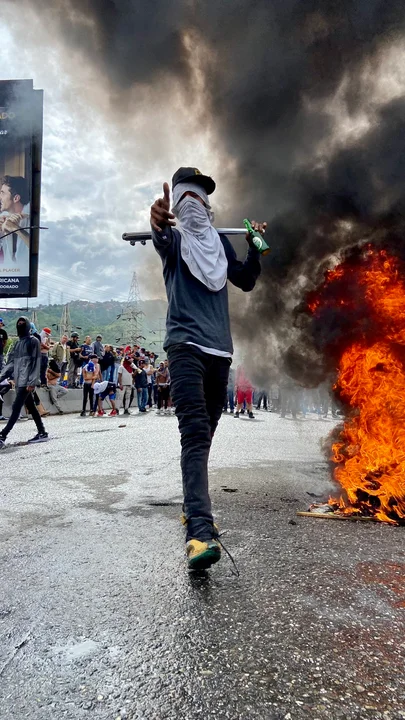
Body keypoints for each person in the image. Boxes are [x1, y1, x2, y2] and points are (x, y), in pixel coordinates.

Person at [150, 166, 265, 569]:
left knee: (206, 433)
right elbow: (160, 234)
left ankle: (191, 502)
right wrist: (157, 219)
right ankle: (199, 530)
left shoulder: (218, 243)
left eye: (203, 197)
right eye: (189, 197)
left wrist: (253, 248)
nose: (197, 203)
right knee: (195, 432)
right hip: (184, 348)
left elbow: (246, 281)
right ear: (178, 203)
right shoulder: (174, 240)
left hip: (220, 353)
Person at [0, 316, 48, 449]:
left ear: (27, 326)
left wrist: (32, 382)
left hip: (27, 382)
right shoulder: (17, 343)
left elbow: (36, 362)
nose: (20, 325)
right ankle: (42, 432)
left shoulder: (33, 341)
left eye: (22, 323)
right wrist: (1, 377)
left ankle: (3, 435)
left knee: (16, 408)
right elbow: (10, 364)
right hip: (20, 381)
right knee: (31, 407)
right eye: (18, 323)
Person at [0, 176, 30, 271]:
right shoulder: (3, 218)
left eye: (3, 193)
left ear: (16, 198)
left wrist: (16, 229)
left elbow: (38, 247)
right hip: (9, 276)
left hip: (29, 278)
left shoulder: (33, 219)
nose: (0, 197)